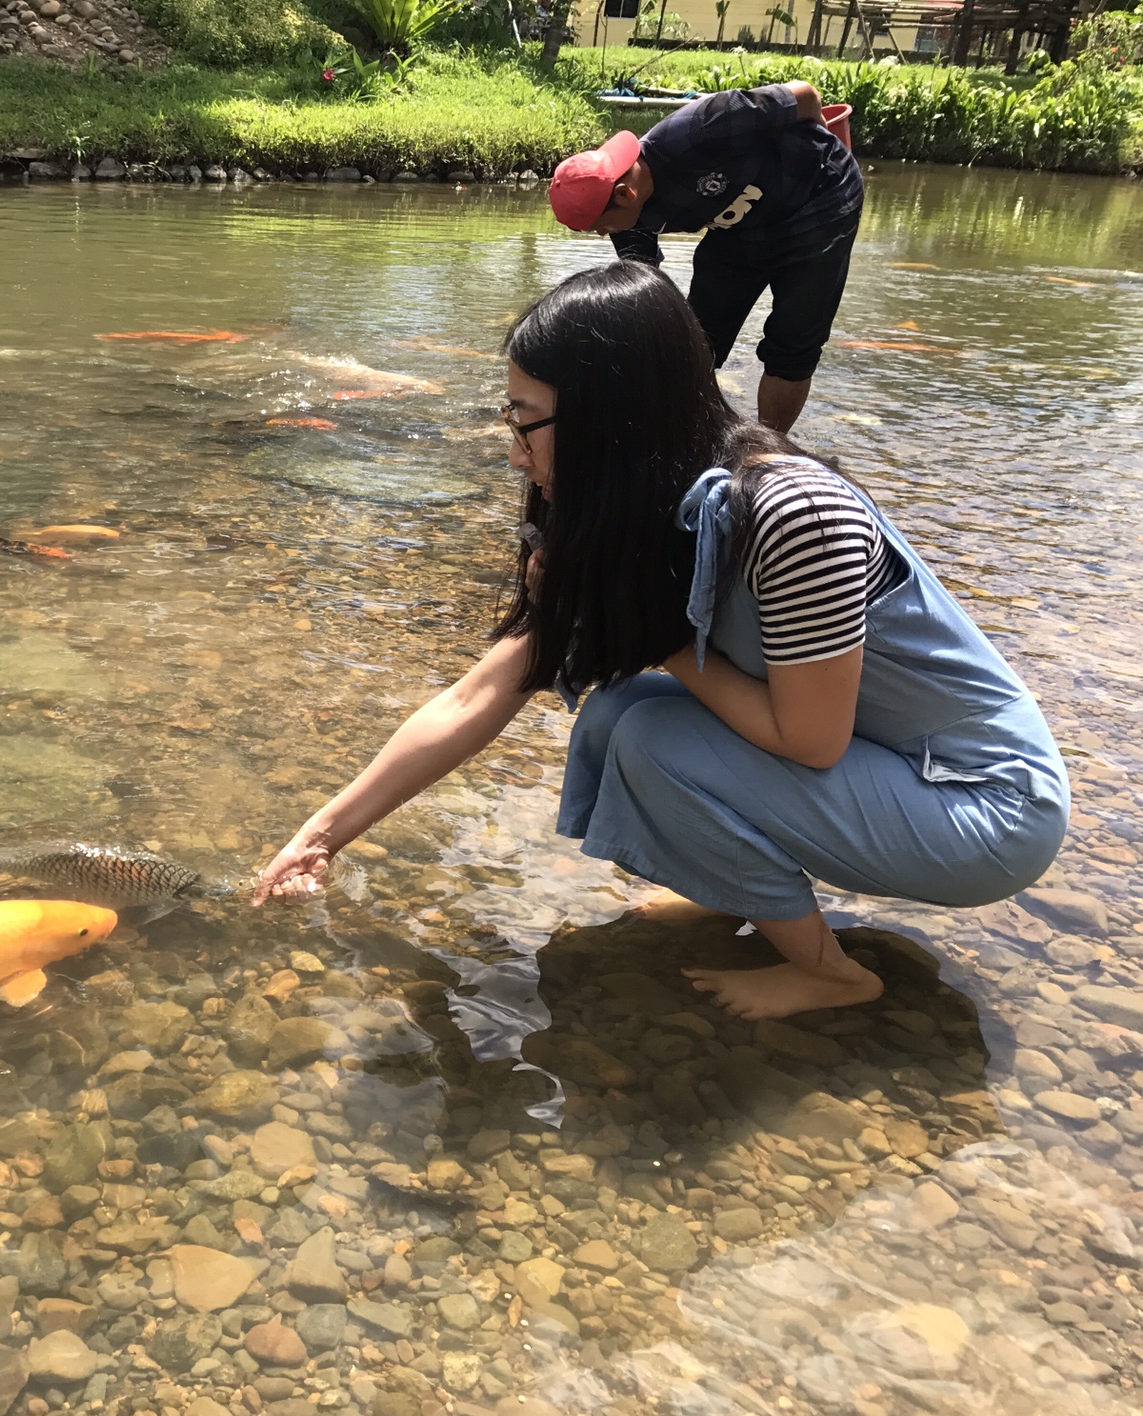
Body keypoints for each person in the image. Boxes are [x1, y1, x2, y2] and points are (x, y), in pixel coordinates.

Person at [253, 262, 1068, 1021]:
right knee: (617, 715)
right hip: (884, 769)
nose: (514, 453)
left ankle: (831, 974)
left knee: (650, 739)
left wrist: (654, 632)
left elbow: (811, 743)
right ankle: (740, 891)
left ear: (609, 420)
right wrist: (320, 836)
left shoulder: (792, 517)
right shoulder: (630, 510)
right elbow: (480, 692)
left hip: (982, 805)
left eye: (526, 424)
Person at [547, 83, 861, 433]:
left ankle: (769, 448)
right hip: (740, 227)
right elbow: (647, 295)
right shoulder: (627, 219)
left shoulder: (703, 127)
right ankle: (691, 435)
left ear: (624, 193)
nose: (604, 234)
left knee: (793, 345)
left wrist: (811, 148)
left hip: (819, 201)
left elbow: (806, 96)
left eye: (600, 227)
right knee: (695, 341)